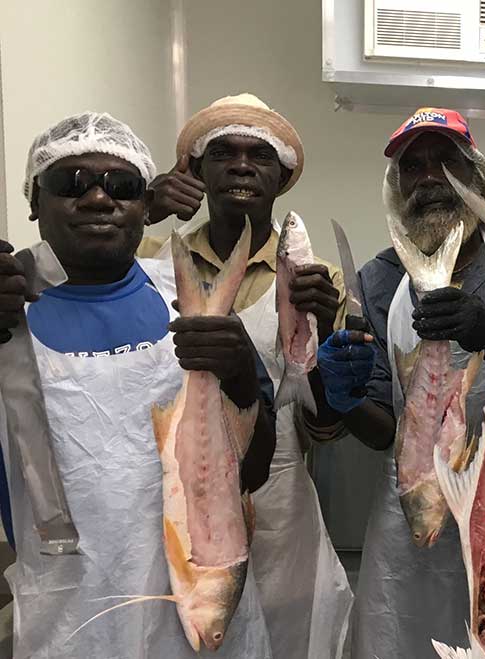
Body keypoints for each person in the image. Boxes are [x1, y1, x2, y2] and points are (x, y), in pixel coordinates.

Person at [0, 112, 276, 657]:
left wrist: (243, 376)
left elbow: (258, 466)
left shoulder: (192, 296)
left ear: (144, 206)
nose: (98, 199)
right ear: (34, 202)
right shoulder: (8, 311)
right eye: (70, 183)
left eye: (122, 186)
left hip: (205, 603)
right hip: (72, 613)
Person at [322, 107, 485, 659]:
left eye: (447, 161)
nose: (430, 177)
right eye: (413, 167)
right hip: (408, 530)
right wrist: (342, 398)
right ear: (398, 188)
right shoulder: (378, 279)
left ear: (477, 177)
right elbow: (380, 430)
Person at [140, 94, 353, 659]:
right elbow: (48, 282)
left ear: (281, 177)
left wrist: (326, 336)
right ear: (195, 170)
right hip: (179, 494)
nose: (241, 166)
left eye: (259, 156)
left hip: (281, 502)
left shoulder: (318, 279)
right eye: (224, 153)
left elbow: (329, 427)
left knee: (288, 639)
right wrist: (142, 207)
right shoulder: (150, 262)